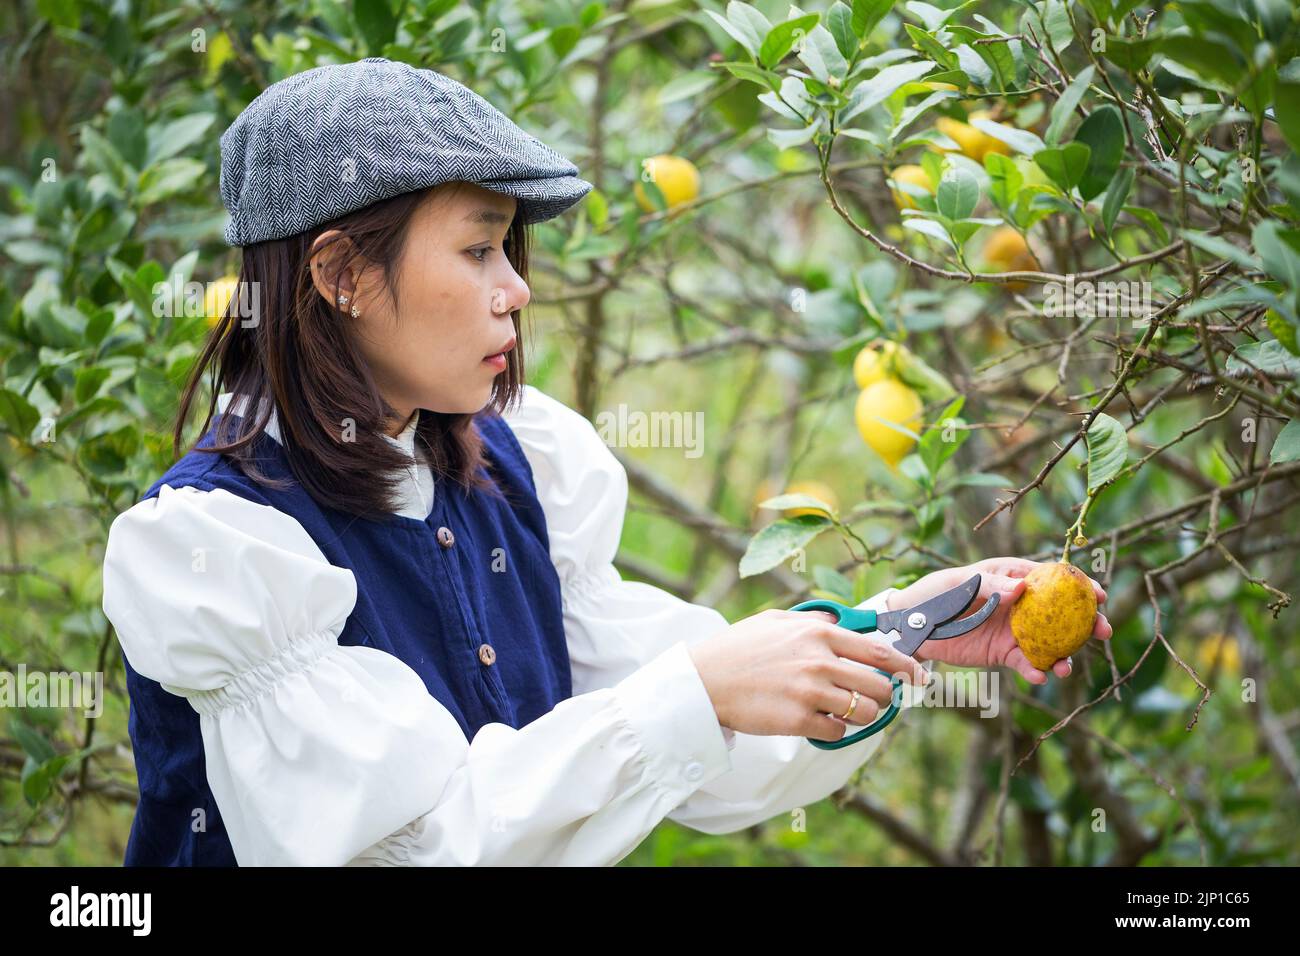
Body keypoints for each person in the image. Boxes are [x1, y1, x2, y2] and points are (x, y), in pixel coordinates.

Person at [101, 57, 1112, 867]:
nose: (516, 290)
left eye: (510, 251)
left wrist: (906, 629)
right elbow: (417, 841)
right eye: (477, 249)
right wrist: (698, 689)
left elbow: (711, 756)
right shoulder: (216, 547)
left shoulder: (518, 464)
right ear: (340, 273)